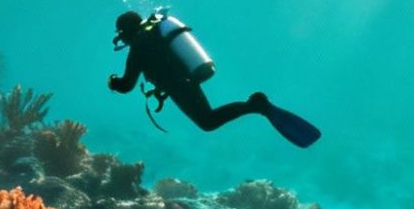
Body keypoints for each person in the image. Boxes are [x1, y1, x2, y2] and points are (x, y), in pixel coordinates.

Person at [109, 9, 320, 147]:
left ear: (125, 31)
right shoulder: (153, 32)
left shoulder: (139, 44)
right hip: (185, 80)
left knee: (207, 122)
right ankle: (255, 105)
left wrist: (112, 81)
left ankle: (256, 105)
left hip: (179, 85)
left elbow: (127, 85)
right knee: (207, 120)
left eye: (121, 33)